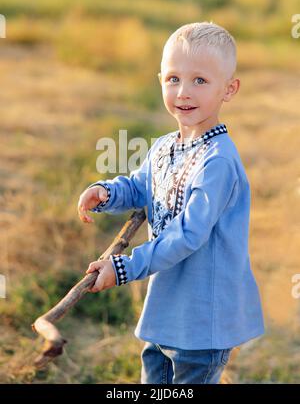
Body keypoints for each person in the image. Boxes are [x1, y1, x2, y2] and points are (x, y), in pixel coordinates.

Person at [77, 21, 265, 384]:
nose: (183, 91)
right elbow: (141, 188)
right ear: (160, 79)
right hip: (164, 310)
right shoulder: (164, 147)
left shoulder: (218, 162)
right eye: (173, 78)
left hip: (201, 319)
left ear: (229, 90)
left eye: (200, 80)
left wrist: (124, 267)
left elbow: (188, 234)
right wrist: (108, 193)